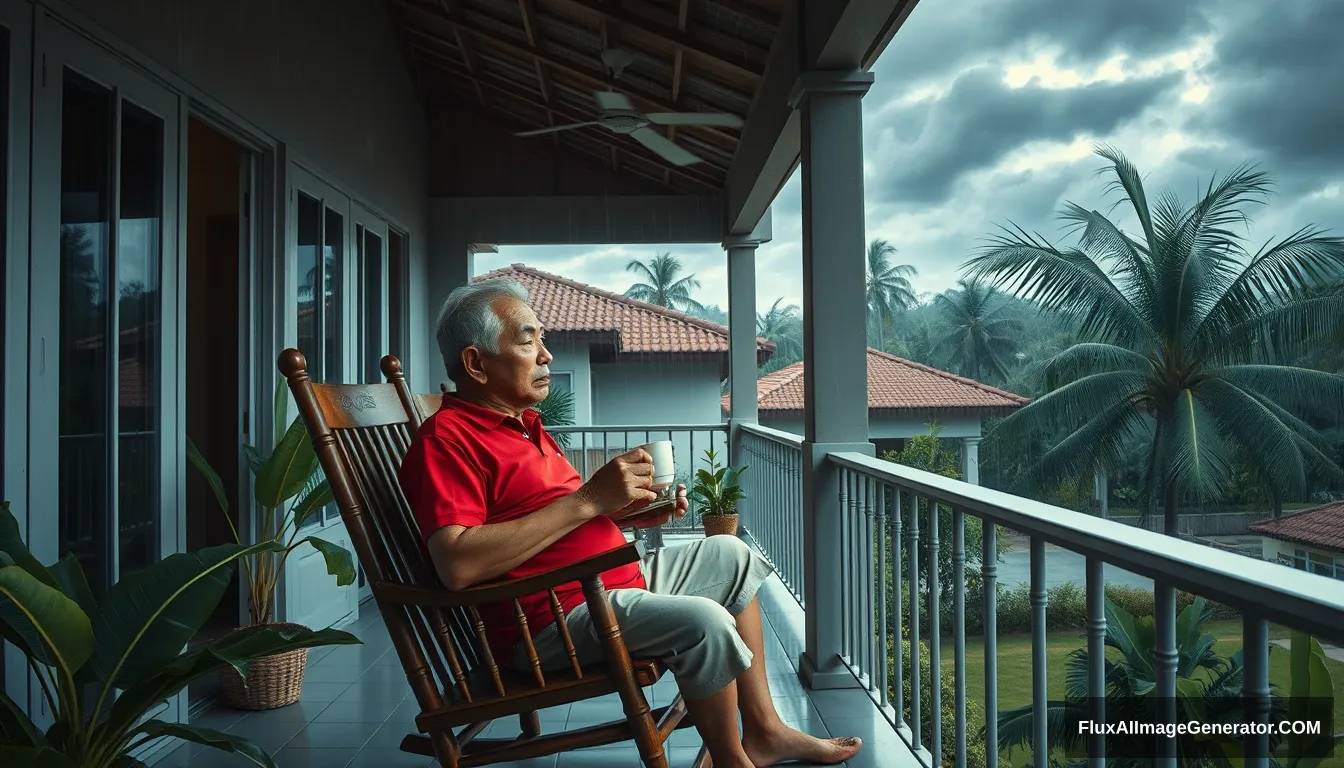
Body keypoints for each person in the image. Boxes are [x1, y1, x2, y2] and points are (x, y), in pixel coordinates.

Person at [398, 279, 862, 768]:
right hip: (551, 620)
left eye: (543, 339)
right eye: (528, 340)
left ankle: (765, 732)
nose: (547, 356)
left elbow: (557, 517)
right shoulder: (447, 441)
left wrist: (627, 511)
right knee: (705, 622)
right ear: (476, 363)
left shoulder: (524, 424)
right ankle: (731, 760)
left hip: (608, 585)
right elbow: (457, 563)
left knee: (734, 556)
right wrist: (589, 499)